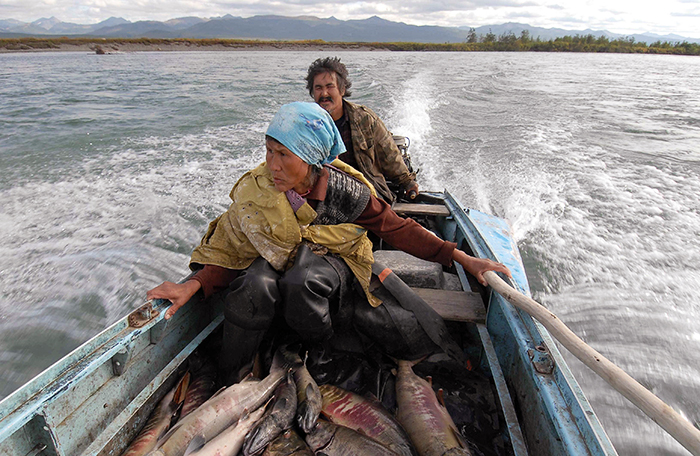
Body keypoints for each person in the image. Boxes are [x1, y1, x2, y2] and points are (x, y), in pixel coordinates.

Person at [147, 102, 511, 384]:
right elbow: (232, 246)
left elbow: (396, 228)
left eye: (283, 155)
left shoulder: (346, 191)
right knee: (252, 284)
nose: (272, 164)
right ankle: (234, 376)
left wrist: (463, 259)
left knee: (302, 280)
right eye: (268, 151)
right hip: (276, 258)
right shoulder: (255, 190)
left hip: (333, 260)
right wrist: (194, 284)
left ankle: (315, 353)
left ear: (309, 159)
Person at [306, 57, 419, 203]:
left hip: (366, 192)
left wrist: (407, 182)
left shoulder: (365, 120)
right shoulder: (306, 125)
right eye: (318, 88)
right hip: (324, 195)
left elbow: (389, 156)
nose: (324, 94)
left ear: (342, 89)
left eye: (330, 86)